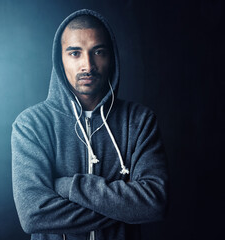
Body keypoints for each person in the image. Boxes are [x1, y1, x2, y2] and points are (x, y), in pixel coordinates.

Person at [11, 9, 168, 240]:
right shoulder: (31, 124)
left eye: (99, 52)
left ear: (111, 57)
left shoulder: (139, 121)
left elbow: (154, 203)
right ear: (60, 60)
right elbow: (33, 214)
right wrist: (127, 209)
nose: (88, 65)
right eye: (75, 53)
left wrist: (66, 188)